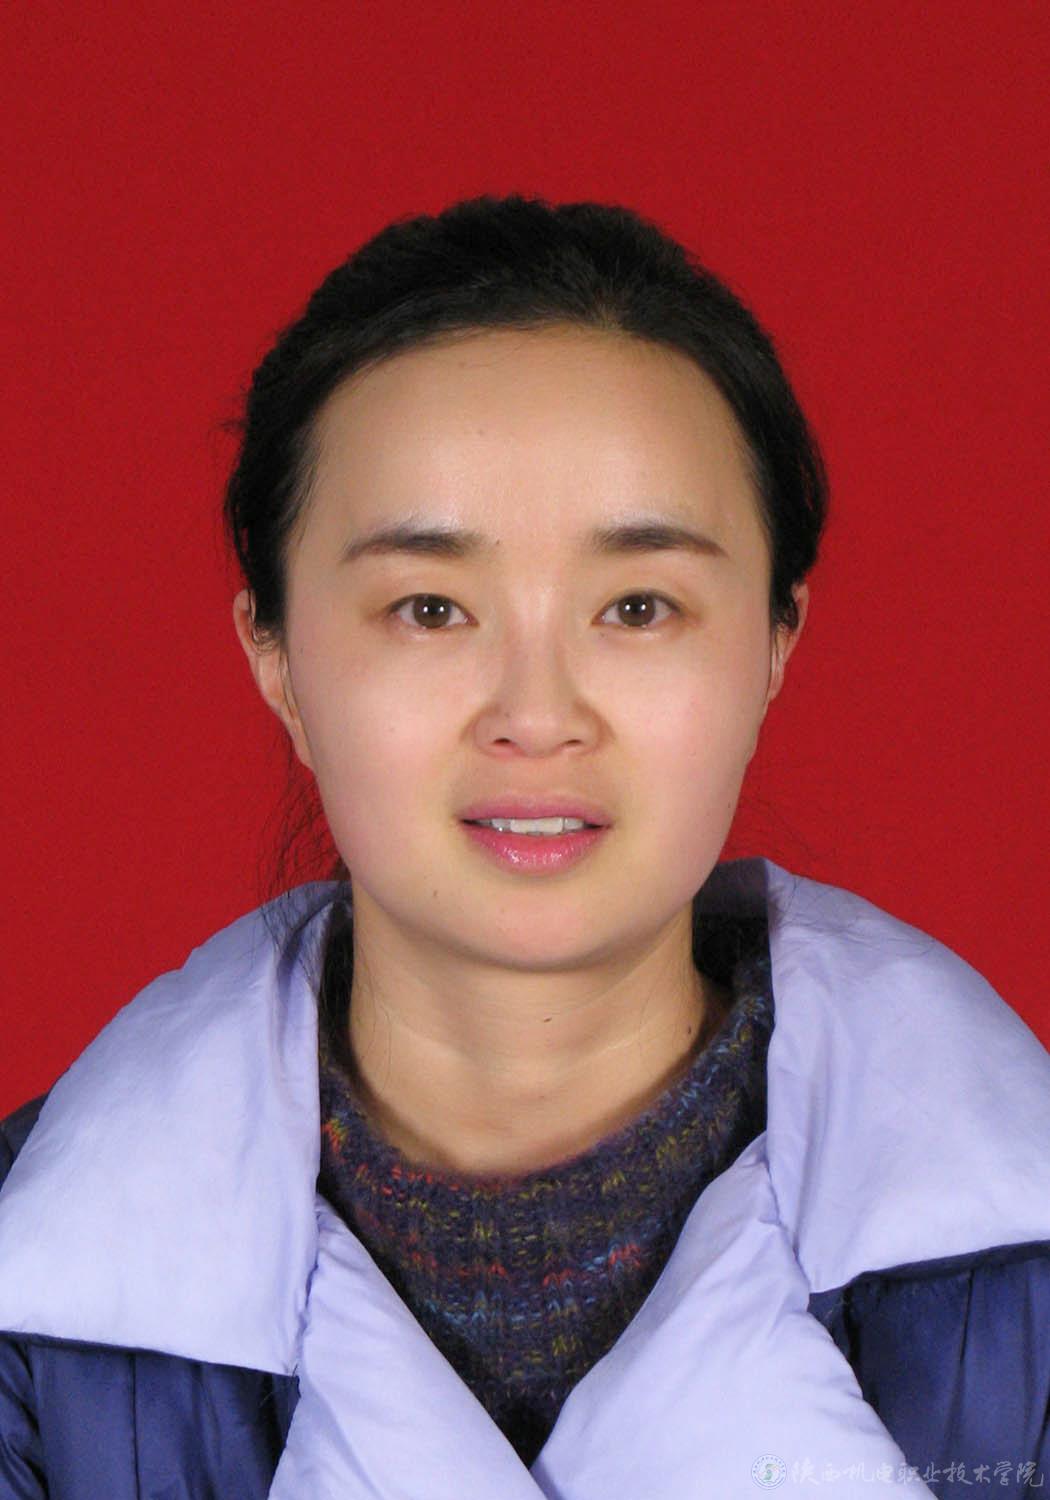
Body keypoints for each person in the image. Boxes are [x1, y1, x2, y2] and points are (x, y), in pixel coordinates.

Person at [0, 195, 1047, 1500]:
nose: (537, 715)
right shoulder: (25, 1308)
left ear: (775, 643)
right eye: (430, 609)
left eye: (639, 606)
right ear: (275, 655)